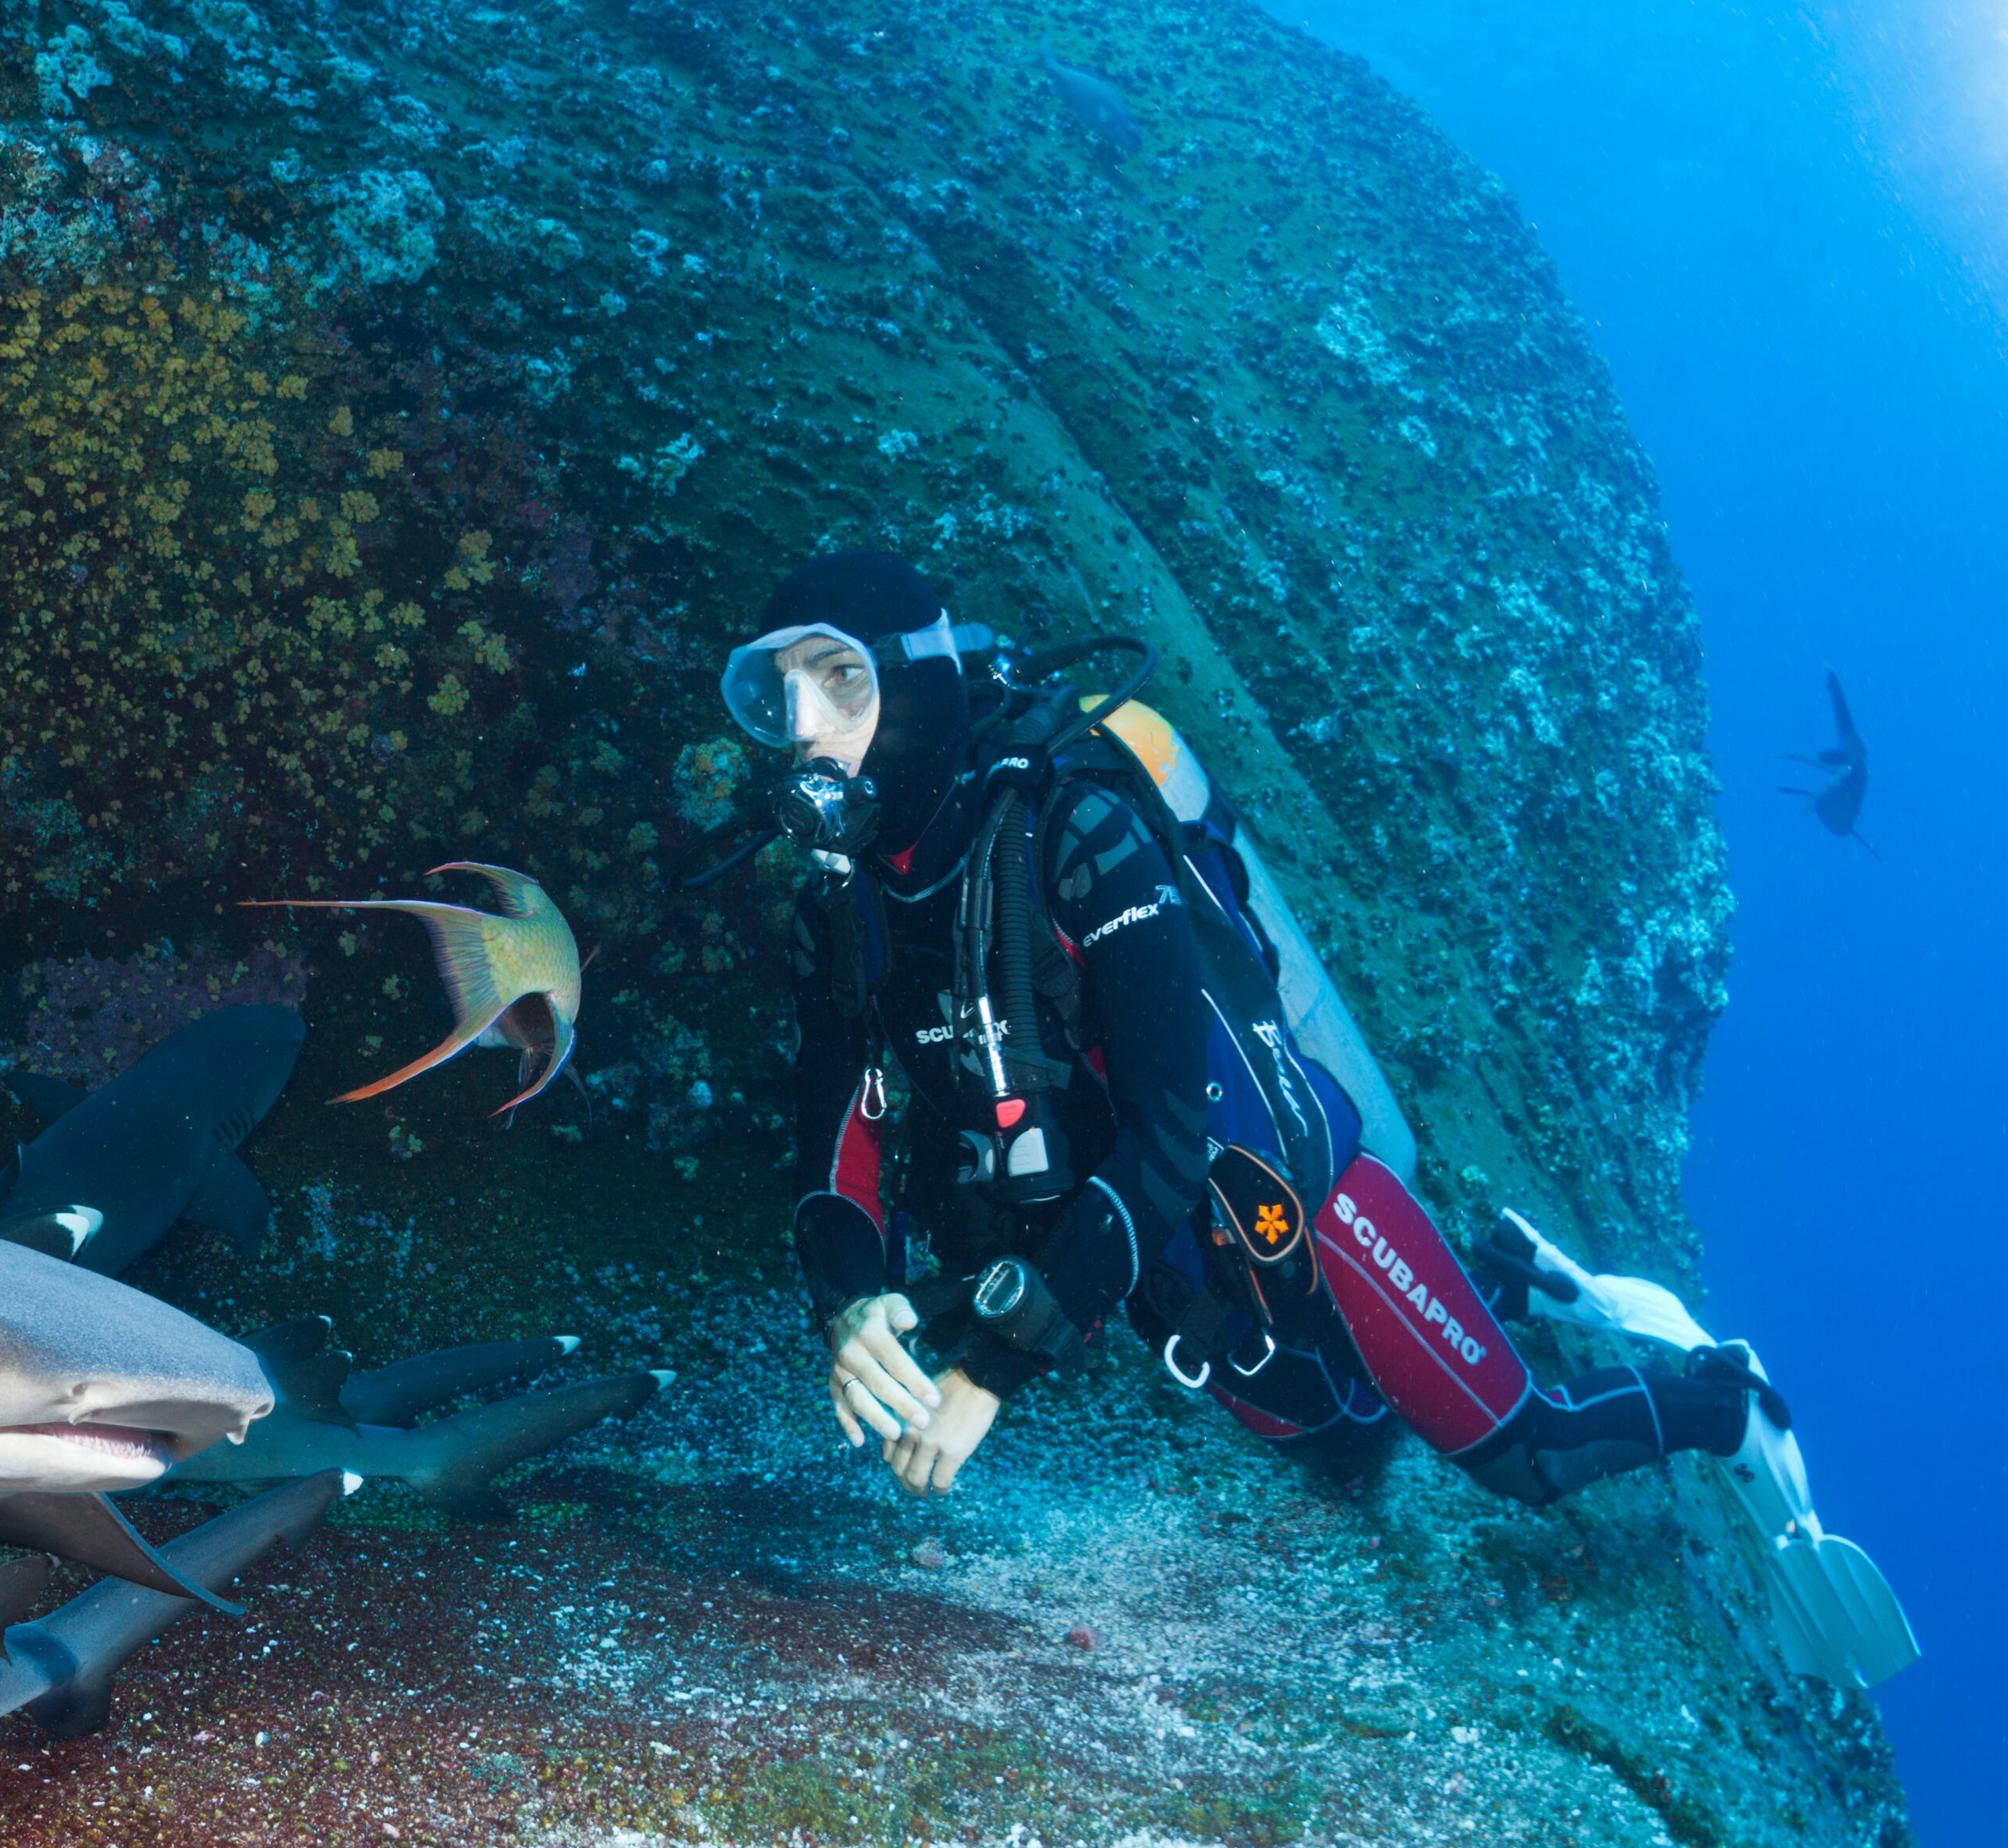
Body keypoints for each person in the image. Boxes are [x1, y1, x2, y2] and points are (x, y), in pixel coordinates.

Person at [722, 549, 1783, 1503]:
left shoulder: (1075, 838)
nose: (807, 729)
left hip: (1290, 1193)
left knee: (1526, 1455)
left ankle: (1724, 1401)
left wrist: (993, 1370)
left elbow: (1176, 1128)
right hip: (1159, 1257)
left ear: (916, 681)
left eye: (842, 680)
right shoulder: (845, 907)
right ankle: (1498, 1273)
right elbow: (837, 1135)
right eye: (782, 696)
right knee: (1340, 1441)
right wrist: (849, 1300)